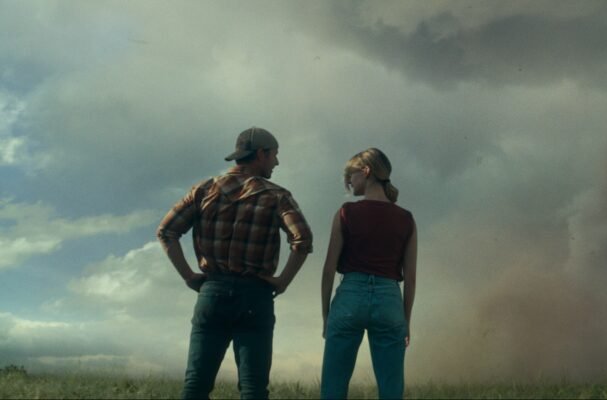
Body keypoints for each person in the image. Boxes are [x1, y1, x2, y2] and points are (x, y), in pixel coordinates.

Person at [157, 126, 313, 399]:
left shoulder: (203, 190)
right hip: (255, 296)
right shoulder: (277, 196)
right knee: (253, 388)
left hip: (212, 293)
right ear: (260, 154)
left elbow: (166, 231)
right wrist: (283, 281)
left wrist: (189, 276)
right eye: (274, 155)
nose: (276, 162)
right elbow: (302, 239)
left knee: (196, 384)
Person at [320, 148, 417, 399]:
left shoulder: (346, 213)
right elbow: (411, 277)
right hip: (389, 300)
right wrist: (406, 320)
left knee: (333, 386)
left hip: (350, 298)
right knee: (391, 389)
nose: (348, 182)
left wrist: (325, 315)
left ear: (366, 171)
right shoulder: (406, 219)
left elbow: (329, 270)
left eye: (350, 175)